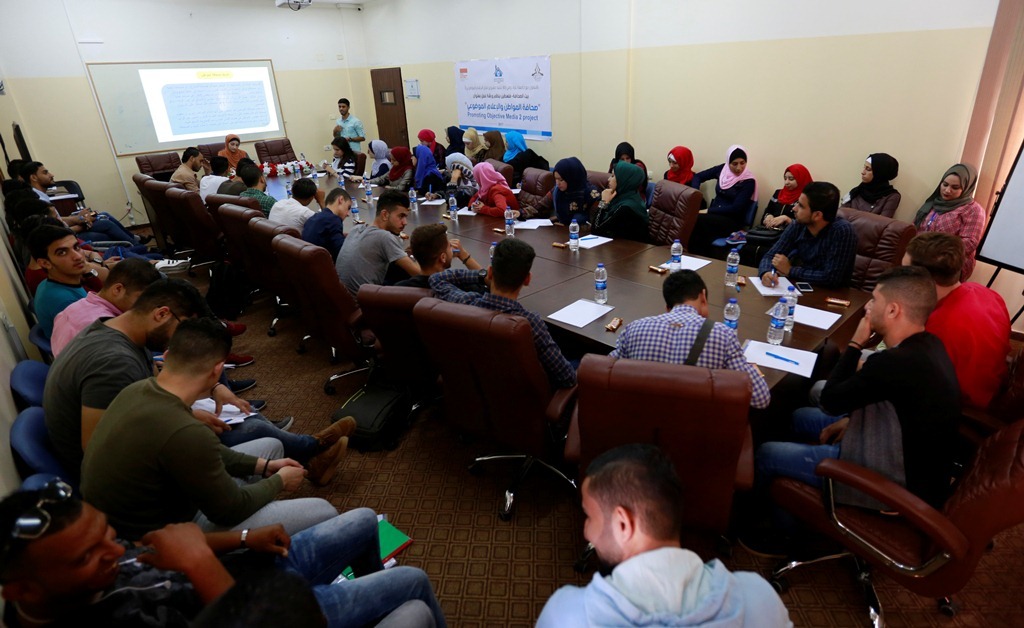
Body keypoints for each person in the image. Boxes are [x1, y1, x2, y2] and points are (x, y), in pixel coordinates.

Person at [0, 484, 447, 628]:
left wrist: (245, 538)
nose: (115, 551)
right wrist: (198, 563)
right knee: (412, 585)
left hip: (257, 574)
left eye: (108, 534)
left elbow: (158, 547)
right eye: (88, 557)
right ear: (22, 589)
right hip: (262, 614)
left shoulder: (98, 560)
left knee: (364, 520)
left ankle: (364, 604)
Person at [81, 318, 345, 539]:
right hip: (162, 538)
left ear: (168, 356)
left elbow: (212, 453)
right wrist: (279, 481)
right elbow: (228, 510)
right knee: (324, 511)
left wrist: (264, 467)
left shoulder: (140, 389)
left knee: (272, 447)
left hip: (135, 515)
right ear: (217, 371)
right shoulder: (185, 430)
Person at [43, 278, 314, 482]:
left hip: (136, 446)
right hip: (127, 477)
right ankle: (313, 450)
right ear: (161, 314)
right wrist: (185, 420)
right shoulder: (114, 363)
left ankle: (311, 451)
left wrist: (210, 390)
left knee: (242, 418)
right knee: (249, 429)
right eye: (181, 327)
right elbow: (98, 448)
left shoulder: (116, 329)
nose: (180, 339)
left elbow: (150, 390)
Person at [755, 267, 959, 514]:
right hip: (904, 455)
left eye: (874, 300)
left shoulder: (893, 363)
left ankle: (764, 527)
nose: (868, 307)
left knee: (767, 453)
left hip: (894, 485)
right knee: (799, 417)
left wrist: (856, 342)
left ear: (893, 310)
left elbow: (829, 400)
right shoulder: (930, 345)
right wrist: (851, 422)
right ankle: (793, 506)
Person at [537, 444, 791, 627]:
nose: (586, 531)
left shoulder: (567, 616)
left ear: (623, 524)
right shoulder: (761, 598)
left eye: (589, 516)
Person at [611, 270, 770, 409]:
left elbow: (604, 373)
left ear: (668, 307)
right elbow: (761, 398)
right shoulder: (724, 334)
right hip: (695, 430)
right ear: (703, 296)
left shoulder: (634, 328)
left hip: (641, 426)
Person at [430, 238, 576, 389]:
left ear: (490, 273)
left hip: (478, 391)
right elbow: (568, 378)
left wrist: (481, 275)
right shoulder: (530, 323)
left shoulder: (466, 303)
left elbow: (437, 279)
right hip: (524, 396)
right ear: (527, 279)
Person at [904, 232, 1010, 409]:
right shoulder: (987, 293)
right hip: (994, 386)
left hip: (960, 406)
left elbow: (915, 385)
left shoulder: (937, 329)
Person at [51, 257, 161, 356]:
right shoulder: (107, 328)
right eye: (141, 299)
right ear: (118, 289)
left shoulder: (73, 307)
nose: (147, 307)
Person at [758, 181, 857, 289]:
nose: (794, 208)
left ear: (817, 215)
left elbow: (831, 278)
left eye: (801, 206)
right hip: (799, 289)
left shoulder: (842, 231)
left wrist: (790, 270)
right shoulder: (797, 225)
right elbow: (770, 256)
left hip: (831, 294)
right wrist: (766, 272)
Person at [21, 162, 141, 245]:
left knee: (103, 215)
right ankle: (138, 247)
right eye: (45, 173)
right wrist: (83, 224)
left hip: (67, 229)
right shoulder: (37, 201)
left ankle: (135, 240)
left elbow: (58, 219)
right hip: (66, 236)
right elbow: (55, 229)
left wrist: (77, 218)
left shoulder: (41, 195)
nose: (51, 175)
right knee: (105, 225)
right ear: (34, 178)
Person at [335, 189, 421, 296]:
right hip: (363, 303)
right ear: (384, 215)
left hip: (341, 299)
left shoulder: (356, 229)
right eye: (401, 216)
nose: (405, 222)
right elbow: (419, 274)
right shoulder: (384, 237)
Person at [913, 163, 987, 280]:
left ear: (966, 187)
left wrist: (936, 252)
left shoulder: (973, 210)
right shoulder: (933, 202)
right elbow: (915, 227)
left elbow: (969, 243)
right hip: (920, 256)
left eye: (955, 187)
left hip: (949, 263)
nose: (947, 190)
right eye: (945, 184)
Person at [689, 145, 758, 256]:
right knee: (693, 220)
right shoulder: (722, 169)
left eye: (742, 163)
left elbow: (735, 209)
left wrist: (707, 211)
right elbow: (697, 177)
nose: (739, 168)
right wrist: (695, 194)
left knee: (698, 220)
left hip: (732, 220)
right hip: (714, 215)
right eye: (734, 164)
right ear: (728, 162)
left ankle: (698, 255)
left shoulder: (748, 181)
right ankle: (695, 256)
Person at [739, 164, 813, 265]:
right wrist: (768, 217)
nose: (787, 182)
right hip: (768, 234)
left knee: (768, 252)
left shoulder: (805, 198)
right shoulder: (778, 193)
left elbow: (806, 226)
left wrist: (787, 219)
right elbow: (766, 213)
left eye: (791, 179)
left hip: (788, 237)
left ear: (801, 179)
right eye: (785, 178)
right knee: (747, 248)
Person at [29, 225, 89, 338]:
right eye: (62, 252)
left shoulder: (49, 283)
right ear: (45, 263)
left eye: (76, 247)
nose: (77, 257)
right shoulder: (67, 303)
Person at [397, 223, 482, 289]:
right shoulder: (461, 288)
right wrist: (464, 256)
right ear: (443, 257)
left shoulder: (400, 288)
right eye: (450, 246)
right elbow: (487, 282)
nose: (452, 248)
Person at [592, 161, 650, 242]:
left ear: (623, 180)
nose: (609, 179)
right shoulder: (624, 198)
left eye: (613, 176)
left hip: (630, 249)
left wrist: (603, 202)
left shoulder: (626, 208)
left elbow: (596, 231)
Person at [841, 153, 901, 218]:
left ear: (879, 173)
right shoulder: (857, 191)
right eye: (864, 167)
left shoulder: (891, 197)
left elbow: (882, 222)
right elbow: (840, 215)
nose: (863, 172)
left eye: (868, 169)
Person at [302, 188, 351, 260]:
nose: (348, 214)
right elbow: (342, 253)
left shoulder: (312, 218)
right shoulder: (333, 220)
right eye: (348, 207)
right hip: (322, 264)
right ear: (341, 200)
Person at [552, 157, 601, 225]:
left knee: (579, 218)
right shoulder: (558, 190)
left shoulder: (590, 192)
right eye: (555, 179)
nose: (557, 183)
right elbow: (544, 203)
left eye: (561, 180)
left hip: (580, 228)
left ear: (571, 178)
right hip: (561, 227)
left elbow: (598, 215)